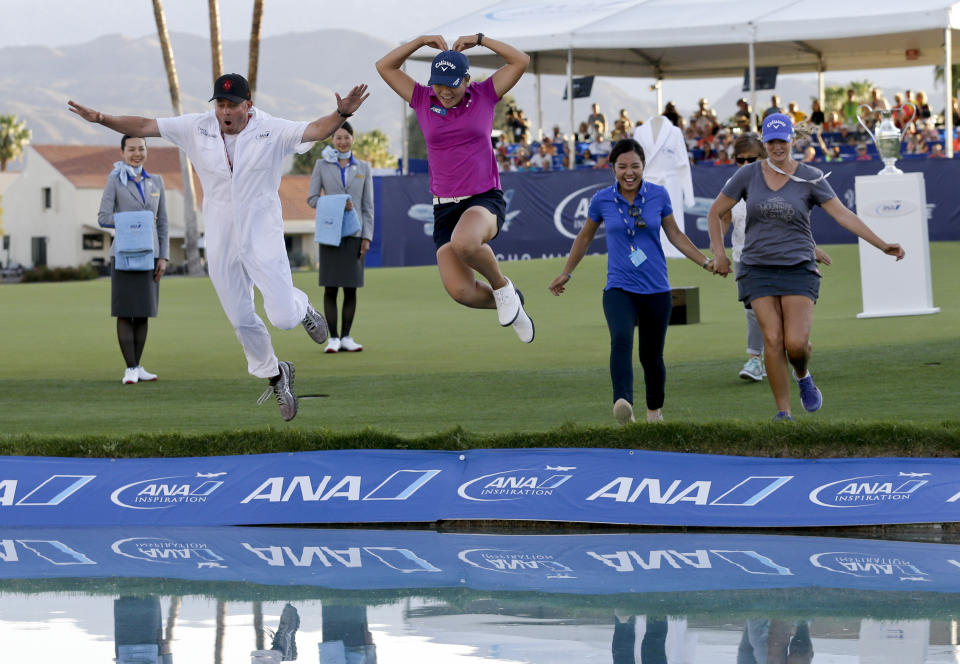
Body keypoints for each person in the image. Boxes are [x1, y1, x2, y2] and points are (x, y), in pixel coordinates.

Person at [69, 73, 369, 421]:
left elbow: (316, 130)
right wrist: (102, 119)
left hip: (262, 232)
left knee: (283, 318)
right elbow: (145, 124)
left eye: (232, 105)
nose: (225, 112)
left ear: (248, 106)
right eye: (220, 105)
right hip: (221, 233)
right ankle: (276, 375)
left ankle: (302, 309)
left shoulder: (271, 129)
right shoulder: (198, 127)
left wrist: (342, 114)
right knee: (241, 319)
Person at [707, 113, 904, 421]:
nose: (777, 147)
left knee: (795, 344)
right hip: (756, 269)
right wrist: (718, 253)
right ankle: (783, 414)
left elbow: (843, 214)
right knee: (772, 340)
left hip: (798, 267)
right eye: (770, 141)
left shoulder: (811, 175)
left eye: (782, 140)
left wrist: (881, 243)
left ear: (793, 141)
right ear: (764, 142)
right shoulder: (748, 175)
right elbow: (715, 212)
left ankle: (803, 376)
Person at [376, 33, 534, 343]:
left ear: (466, 79)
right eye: (438, 83)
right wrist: (420, 42)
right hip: (444, 207)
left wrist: (480, 40)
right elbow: (385, 66)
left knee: (465, 242)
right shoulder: (423, 99)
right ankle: (512, 299)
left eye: (452, 84)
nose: (444, 91)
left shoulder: (486, 94)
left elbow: (520, 61)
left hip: (483, 199)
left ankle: (502, 288)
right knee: (461, 292)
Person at [549, 138, 717, 425]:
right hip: (619, 288)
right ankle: (623, 402)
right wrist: (567, 272)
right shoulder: (602, 199)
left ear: (643, 167)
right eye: (622, 166)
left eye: (635, 166)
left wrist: (704, 261)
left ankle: (654, 412)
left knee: (651, 356)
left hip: (657, 289)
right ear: (612, 168)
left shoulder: (659, 195)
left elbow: (675, 235)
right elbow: (585, 237)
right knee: (622, 339)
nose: (629, 172)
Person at [718, 134, 832, 384]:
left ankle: (778, 354)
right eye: (740, 159)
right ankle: (760, 359)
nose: (744, 163)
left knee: (780, 317)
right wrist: (719, 252)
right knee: (754, 313)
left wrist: (812, 248)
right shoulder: (736, 181)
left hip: (784, 258)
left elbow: (792, 223)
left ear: (763, 156)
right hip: (745, 257)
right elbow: (722, 217)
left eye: (751, 158)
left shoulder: (783, 179)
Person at [97, 135, 169, 385]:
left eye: (141, 148)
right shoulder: (114, 180)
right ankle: (130, 368)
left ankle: (137, 366)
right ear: (122, 152)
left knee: (143, 312)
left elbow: (164, 223)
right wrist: (135, 223)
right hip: (124, 255)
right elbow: (104, 217)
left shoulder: (156, 182)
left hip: (150, 256)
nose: (136, 153)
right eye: (131, 149)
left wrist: (164, 257)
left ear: (146, 151)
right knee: (125, 313)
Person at [306, 122, 374, 354]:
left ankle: (346, 337)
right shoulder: (322, 165)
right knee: (331, 287)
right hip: (329, 234)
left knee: (351, 288)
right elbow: (313, 199)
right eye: (338, 138)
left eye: (346, 137)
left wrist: (367, 236)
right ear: (332, 140)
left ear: (353, 139)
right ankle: (333, 338)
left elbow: (368, 206)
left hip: (355, 234)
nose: (342, 141)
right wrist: (337, 204)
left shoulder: (364, 167)